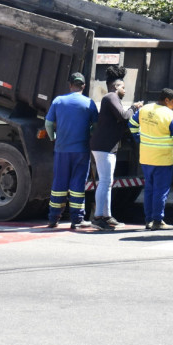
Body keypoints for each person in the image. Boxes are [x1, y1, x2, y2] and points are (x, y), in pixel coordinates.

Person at [44, 72, 99, 229]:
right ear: (83, 86)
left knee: (59, 183)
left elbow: (48, 124)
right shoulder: (89, 103)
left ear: (69, 85)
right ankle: (77, 219)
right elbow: (95, 127)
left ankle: (53, 218)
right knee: (77, 185)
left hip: (61, 150)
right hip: (81, 150)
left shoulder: (59, 101)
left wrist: (52, 138)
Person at [130, 88, 173, 230]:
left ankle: (149, 220)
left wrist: (138, 139)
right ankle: (158, 221)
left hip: (146, 157)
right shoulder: (171, 115)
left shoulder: (145, 109)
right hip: (162, 159)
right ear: (166, 100)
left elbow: (132, 124)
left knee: (149, 189)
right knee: (161, 191)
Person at [89, 75, 133, 230]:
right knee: (105, 182)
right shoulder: (111, 97)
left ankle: (107, 216)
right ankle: (98, 217)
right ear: (116, 87)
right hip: (103, 146)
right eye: (123, 87)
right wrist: (134, 107)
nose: (125, 90)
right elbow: (123, 116)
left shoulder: (112, 98)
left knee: (108, 183)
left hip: (107, 146)